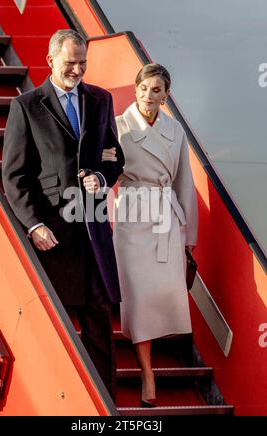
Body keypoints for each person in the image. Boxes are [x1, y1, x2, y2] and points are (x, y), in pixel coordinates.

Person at [2, 29, 124, 398]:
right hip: (52, 235)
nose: (77, 69)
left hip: (93, 233)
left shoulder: (100, 100)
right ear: (51, 59)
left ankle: (106, 406)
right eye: (71, 62)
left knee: (100, 322)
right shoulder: (25, 106)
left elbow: (114, 155)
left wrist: (102, 177)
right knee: (51, 324)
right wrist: (34, 224)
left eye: (82, 62)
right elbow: (14, 176)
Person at [102, 64, 198, 407]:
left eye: (156, 90)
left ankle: (150, 365)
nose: (148, 96)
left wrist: (189, 235)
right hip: (132, 216)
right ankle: (147, 373)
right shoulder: (117, 124)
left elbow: (184, 182)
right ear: (136, 88)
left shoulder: (175, 131)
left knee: (161, 295)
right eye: (143, 88)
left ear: (166, 95)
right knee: (139, 300)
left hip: (165, 219)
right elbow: (103, 171)